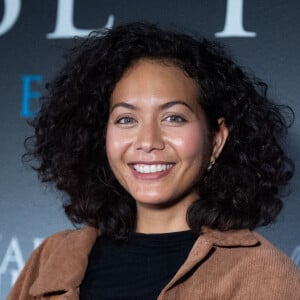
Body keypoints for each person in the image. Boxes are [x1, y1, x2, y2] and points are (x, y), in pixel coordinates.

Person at [8, 22, 300, 300]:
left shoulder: (262, 273)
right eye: (126, 119)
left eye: (173, 118)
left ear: (216, 139)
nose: (147, 141)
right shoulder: (51, 258)